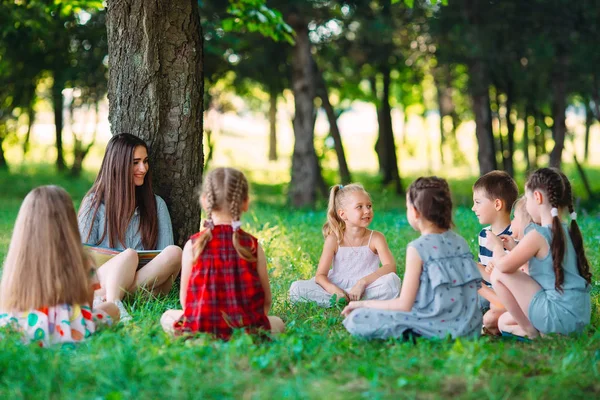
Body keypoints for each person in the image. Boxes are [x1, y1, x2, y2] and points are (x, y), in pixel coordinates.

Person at [342, 177, 482, 340]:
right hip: (470, 328)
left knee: (358, 318)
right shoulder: (461, 242)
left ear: (415, 212)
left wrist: (362, 304)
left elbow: (404, 304)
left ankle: (415, 334)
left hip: (435, 325)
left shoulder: (418, 248)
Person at [160, 167, 284, 339]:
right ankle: (243, 336)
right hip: (246, 329)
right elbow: (266, 300)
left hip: (202, 328)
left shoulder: (193, 245)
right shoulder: (252, 246)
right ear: (245, 202)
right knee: (278, 322)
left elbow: (186, 301)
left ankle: (199, 339)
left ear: (205, 201)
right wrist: (252, 323)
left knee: (167, 316)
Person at [0, 186, 119, 347]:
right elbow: (87, 309)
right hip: (68, 328)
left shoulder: (18, 260)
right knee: (112, 309)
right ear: (69, 222)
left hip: (22, 327)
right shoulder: (84, 261)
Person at [78, 133, 182, 318]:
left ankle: (111, 301)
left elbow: (165, 258)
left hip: (147, 280)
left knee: (175, 252)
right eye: (135, 162)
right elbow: (82, 260)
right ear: (118, 165)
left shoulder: (156, 204)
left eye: (145, 161)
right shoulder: (93, 204)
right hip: (103, 280)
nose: (143, 168)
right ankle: (115, 301)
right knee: (129, 255)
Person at [486, 168, 592, 339]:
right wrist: (515, 248)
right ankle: (548, 334)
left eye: (527, 199)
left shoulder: (538, 235)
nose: (526, 204)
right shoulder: (568, 231)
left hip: (556, 314)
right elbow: (543, 270)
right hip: (578, 317)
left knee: (498, 272)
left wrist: (497, 247)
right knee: (504, 321)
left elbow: (504, 266)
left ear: (537, 197)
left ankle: (531, 332)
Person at [289, 183, 401, 307]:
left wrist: (362, 283)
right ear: (342, 214)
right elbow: (320, 276)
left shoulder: (376, 238)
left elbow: (390, 266)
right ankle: (344, 298)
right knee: (296, 288)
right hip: (337, 286)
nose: (367, 211)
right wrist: (335, 291)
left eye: (369, 206)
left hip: (367, 286)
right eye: (359, 207)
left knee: (392, 282)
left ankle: (347, 300)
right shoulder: (333, 240)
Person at [482, 196, 532, 335]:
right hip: (532, 306)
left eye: (514, 218)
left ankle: (535, 334)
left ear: (525, 223)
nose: (511, 222)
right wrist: (512, 249)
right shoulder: (526, 245)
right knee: (500, 321)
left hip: (534, 306)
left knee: (493, 313)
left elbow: (511, 270)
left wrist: (498, 248)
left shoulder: (533, 243)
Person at [471, 170, 519, 311]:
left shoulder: (515, 237)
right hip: (487, 291)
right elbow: (485, 270)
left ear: (497, 204)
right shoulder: (484, 234)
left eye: (478, 202)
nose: (473, 208)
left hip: (503, 295)